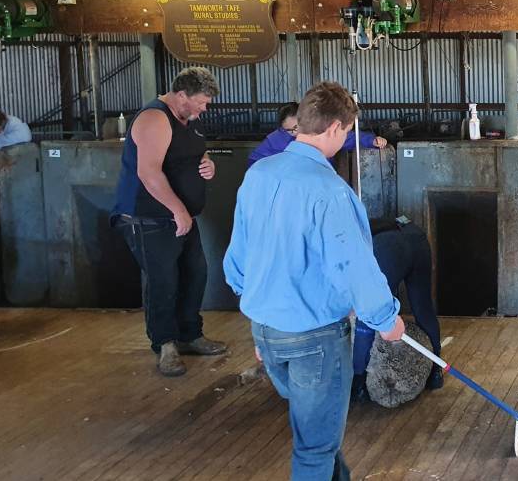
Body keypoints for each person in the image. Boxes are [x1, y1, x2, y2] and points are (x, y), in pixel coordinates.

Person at [224, 81, 404, 481]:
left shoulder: (258, 175)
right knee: (315, 446)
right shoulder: (329, 190)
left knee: (314, 432)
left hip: (267, 331)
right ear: (337, 129)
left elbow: (238, 257)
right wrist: (385, 318)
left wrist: (262, 321)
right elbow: (354, 264)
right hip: (315, 339)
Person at [111, 67, 226, 377]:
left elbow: (189, 157)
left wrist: (208, 166)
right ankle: (165, 344)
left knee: (195, 273)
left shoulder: (187, 120)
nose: (205, 109)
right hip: (150, 216)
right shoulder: (154, 118)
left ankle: (190, 334)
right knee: (163, 281)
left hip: (181, 215)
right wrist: (178, 210)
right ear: (180, 95)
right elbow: (149, 173)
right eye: (201, 102)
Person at [351, 217, 444, 402]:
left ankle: (358, 381)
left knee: (369, 315)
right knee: (423, 308)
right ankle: (436, 372)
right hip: (415, 237)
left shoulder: (349, 240)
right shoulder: (365, 223)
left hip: (389, 249)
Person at [247, 101, 387, 167]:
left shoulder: (320, 131)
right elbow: (255, 161)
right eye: (289, 130)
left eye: (297, 127)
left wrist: (371, 140)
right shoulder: (275, 139)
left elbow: (349, 138)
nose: (294, 133)